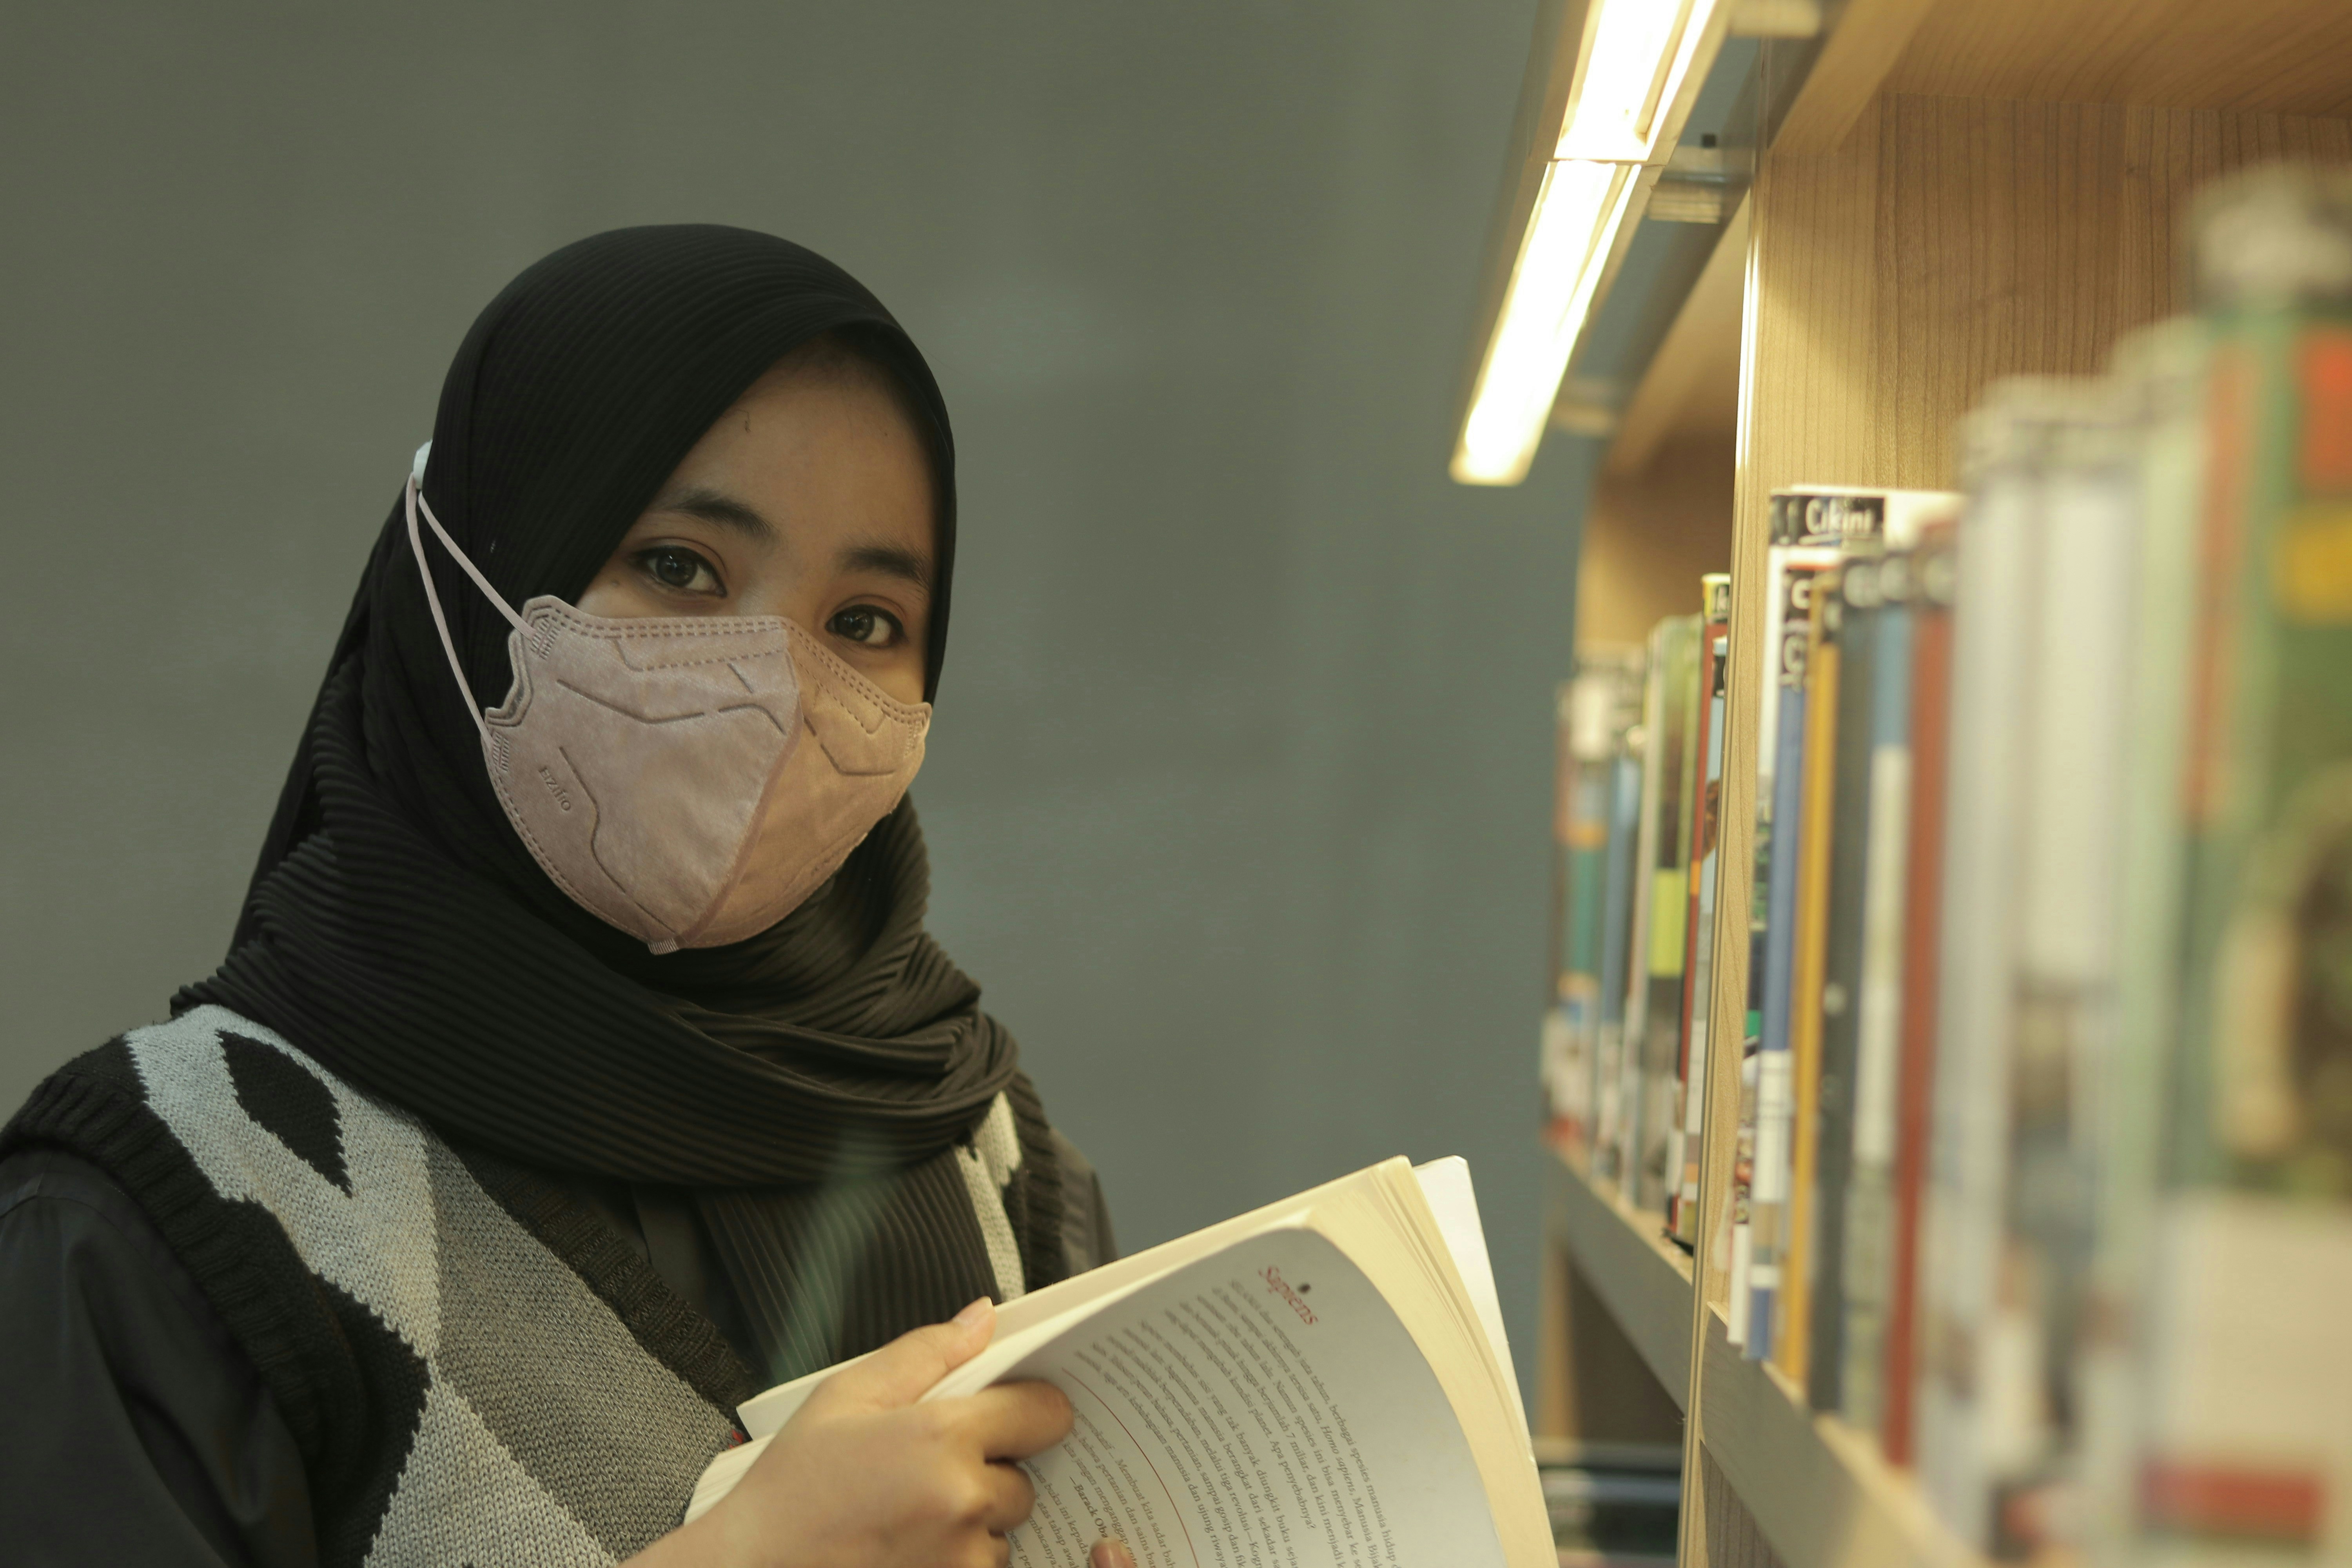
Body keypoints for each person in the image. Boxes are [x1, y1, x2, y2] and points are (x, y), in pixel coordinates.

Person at [0, 225, 1128, 1568]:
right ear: (472, 581)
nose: (775, 687)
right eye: (681, 567)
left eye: (864, 622)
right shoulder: (174, 1209)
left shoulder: (987, 1152)